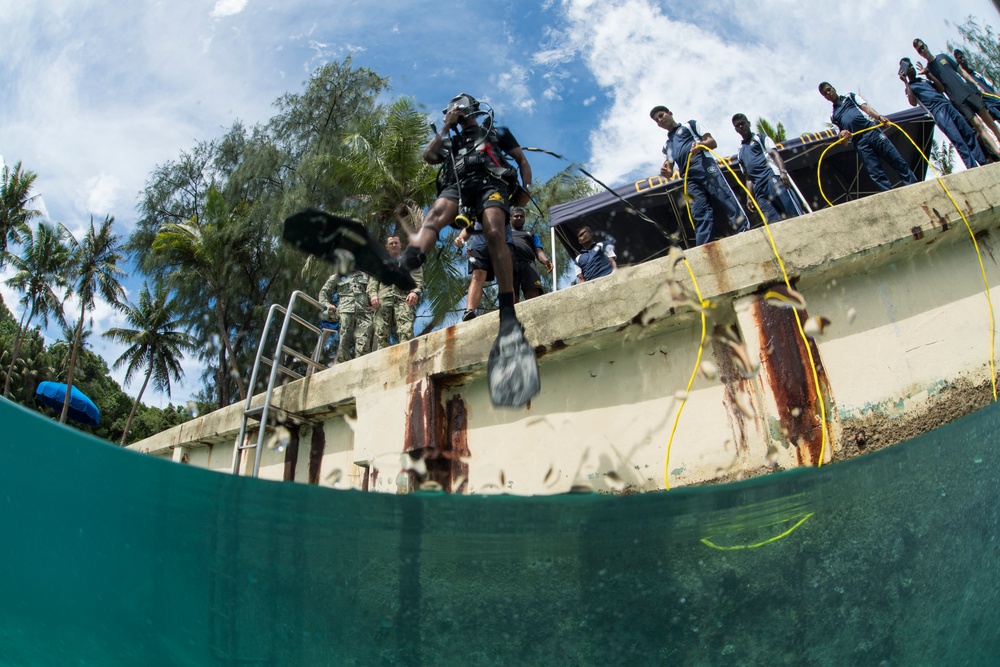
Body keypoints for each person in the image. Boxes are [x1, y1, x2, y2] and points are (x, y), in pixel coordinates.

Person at [398, 93, 539, 407]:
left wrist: (525, 191)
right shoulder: (449, 140)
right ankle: (412, 256)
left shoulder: (496, 132)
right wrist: (445, 128)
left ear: (472, 108)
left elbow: (522, 161)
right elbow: (428, 157)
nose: (454, 111)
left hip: (492, 183)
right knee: (436, 213)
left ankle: (506, 303)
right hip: (460, 187)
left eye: (459, 107)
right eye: (450, 108)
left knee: (492, 231)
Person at [650, 106, 748, 246]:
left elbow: (712, 142)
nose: (660, 120)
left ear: (670, 113)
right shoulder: (667, 145)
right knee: (698, 210)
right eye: (657, 120)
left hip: (704, 165)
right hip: (688, 177)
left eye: (661, 115)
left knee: (723, 195)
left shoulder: (690, 125)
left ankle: (743, 227)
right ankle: (703, 245)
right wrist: (666, 171)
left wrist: (701, 145)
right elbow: (669, 170)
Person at [818, 82, 918, 192]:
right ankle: (890, 194)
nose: (828, 93)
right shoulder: (833, 116)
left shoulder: (850, 96)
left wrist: (879, 117)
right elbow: (844, 142)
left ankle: (913, 185)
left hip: (871, 131)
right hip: (859, 142)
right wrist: (843, 134)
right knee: (875, 171)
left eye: (828, 89)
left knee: (895, 158)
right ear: (825, 98)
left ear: (834, 88)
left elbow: (866, 108)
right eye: (825, 93)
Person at [913, 39, 1000, 156]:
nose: (922, 50)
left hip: (968, 92)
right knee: (979, 126)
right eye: (919, 50)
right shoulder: (929, 71)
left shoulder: (943, 57)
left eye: (922, 47)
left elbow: (962, 72)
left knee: (989, 121)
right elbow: (941, 89)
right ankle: (997, 152)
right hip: (958, 101)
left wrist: (977, 85)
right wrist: (927, 74)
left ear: (926, 45)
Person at [899, 58, 988, 169]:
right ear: (905, 72)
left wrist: (928, 74)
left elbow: (940, 88)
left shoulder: (923, 81)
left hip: (946, 104)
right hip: (938, 111)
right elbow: (913, 102)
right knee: (957, 139)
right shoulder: (910, 88)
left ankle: (983, 162)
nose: (911, 68)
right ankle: (972, 166)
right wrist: (906, 82)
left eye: (911, 65)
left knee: (968, 132)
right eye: (908, 67)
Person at [731, 113, 803, 223]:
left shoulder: (760, 138)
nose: (741, 126)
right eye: (737, 125)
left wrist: (783, 172)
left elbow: (775, 155)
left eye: (743, 123)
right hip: (759, 191)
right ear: (736, 130)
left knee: (794, 213)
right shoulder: (740, 152)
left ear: (748, 124)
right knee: (773, 223)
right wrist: (749, 197)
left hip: (772, 179)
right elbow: (748, 178)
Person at [454, 218, 516, 321]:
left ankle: (509, 309)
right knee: (477, 275)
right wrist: (460, 238)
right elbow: (469, 226)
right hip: (479, 246)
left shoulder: (502, 202)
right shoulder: (475, 208)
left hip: (502, 243)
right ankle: (469, 311)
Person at [368, 235, 423, 350]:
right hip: (383, 301)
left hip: (403, 299)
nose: (394, 245)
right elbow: (373, 282)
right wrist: (373, 295)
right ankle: (382, 363)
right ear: (387, 246)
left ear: (400, 245)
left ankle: (407, 359)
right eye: (391, 243)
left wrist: (415, 293)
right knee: (381, 333)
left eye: (396, 243)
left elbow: (418, 279)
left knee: (406, 331)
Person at [322, 269, 374, 363]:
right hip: (346, 311)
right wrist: (327, 304)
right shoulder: (338, 276)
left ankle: (362, 366)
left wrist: (375, 307)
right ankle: (342, 366)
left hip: (364, 313)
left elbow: (375, 290)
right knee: (344, 341)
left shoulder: (367, 276)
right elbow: (324, 292)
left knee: (364, 343)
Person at [509, 207, 552, 301]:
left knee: (534, 295)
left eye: (522, 216)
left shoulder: (531, 234)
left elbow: (538, 251)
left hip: (529, 265)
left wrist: (546, 261)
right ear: (510, 218)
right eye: (516, 216)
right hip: (510, 266)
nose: (519, 218)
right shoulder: (505, 234)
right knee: (511, 297)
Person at [953, 48, 1000, 123]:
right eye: (960, 58)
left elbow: (990, 85)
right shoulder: (963, 81)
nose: (963, 59)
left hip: (995, 98)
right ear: (957, 61)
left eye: (963, 57)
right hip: (988, 104)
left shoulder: (975, 73)